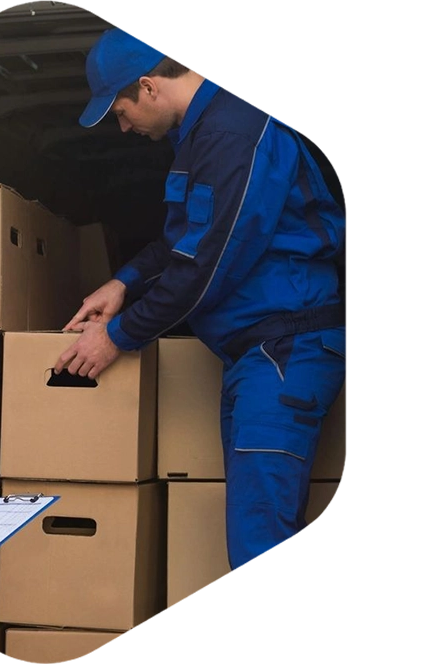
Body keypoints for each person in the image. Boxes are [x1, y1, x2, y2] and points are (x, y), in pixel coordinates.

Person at [54, 27, 347, 574]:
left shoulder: (234, 133)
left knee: (260, 535)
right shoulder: (201, 136)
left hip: (285, 351)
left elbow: (205, 267)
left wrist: (115, 337)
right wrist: (122, 284)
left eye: (120, 111)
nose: (122, 127)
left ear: (148, 87)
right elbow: (182, 242)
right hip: (256, 355)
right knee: (256, 529)